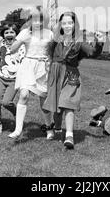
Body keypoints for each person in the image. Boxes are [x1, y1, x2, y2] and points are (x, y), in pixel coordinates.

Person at [42, 11, 104, 149]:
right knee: (57, 108)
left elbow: (93, 53)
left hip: (71, 75)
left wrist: (99, 43)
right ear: (60, 25)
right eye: (64, 23)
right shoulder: (55, 40)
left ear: (75, 24)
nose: (67, 25)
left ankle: (69, 135)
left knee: (68, 104)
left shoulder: (79, 42)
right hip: (56, 74)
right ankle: (57, 126)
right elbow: (49, 57)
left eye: (70, 23)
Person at [8, 6, 54, 139]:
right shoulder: (25, 33)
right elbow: (12, 49)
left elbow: (53, 52)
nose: (38, 23)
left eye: (40, 20)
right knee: (24, 95)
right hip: (28, 66)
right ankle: (18, 130)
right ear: (29, 21)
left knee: (44, 101)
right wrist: (21, 40)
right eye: (34, 20)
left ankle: (49, 127)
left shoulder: (49, 34)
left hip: (43, 67)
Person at [0, 23, 26, 135]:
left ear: (16, 34)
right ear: (3, 35)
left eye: (12, 32)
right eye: (6, 32)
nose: (9, 34)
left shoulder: (21, 46)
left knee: (7, 103)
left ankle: (18, 114)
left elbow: (24, 61)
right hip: (1, 77)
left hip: (14, 79)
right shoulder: (1, 44)